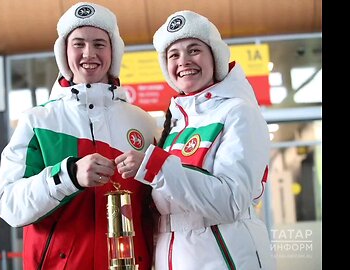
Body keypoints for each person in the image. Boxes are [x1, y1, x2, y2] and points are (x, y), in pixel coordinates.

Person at [0, 2, 159, 270]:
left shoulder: (141, 122)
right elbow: (10, 206)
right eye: (78, 44)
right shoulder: (38, 121)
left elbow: (158, 209)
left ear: (114, 51)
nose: (89, 53)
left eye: (99, 44)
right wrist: (67, 175)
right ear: (64, 52)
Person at [114, 10, 276, 270]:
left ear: (215, 56)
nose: (184, 61)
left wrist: (154, 166)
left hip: (225, 260)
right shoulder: (175, 124)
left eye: (194, 50)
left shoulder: (238, 111)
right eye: (174, 55)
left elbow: (231, 201)